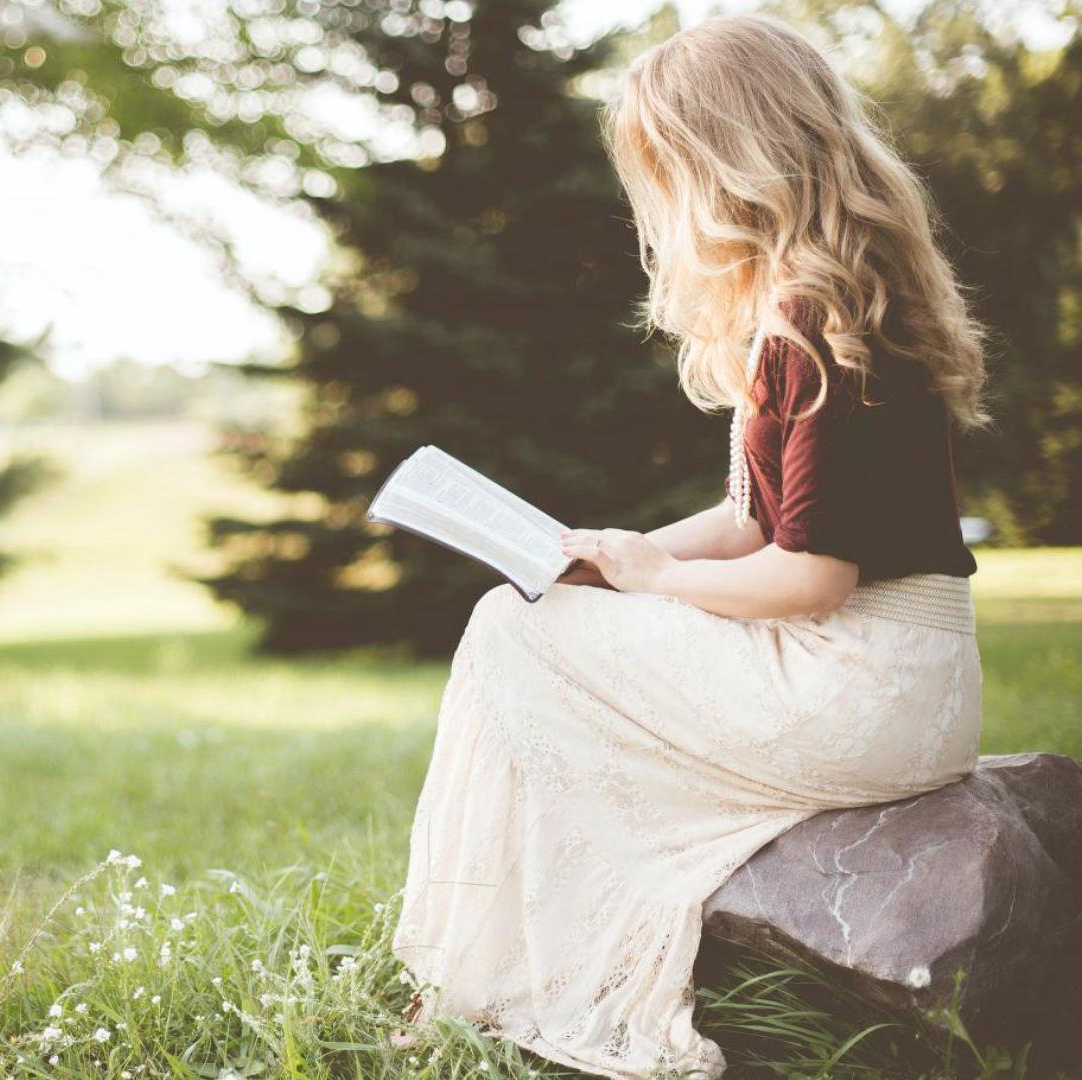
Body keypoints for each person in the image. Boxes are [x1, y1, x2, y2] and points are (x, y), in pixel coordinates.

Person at [388, 14, 990, 1079]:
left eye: (667, 168)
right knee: (541, 618)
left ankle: (484, 979)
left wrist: (659, 582)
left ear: (728, 160)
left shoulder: (812, 313)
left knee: (505, 633)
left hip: (859, 680)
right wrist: (618, 554)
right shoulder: (837, 291)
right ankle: (495, 968)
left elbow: (810, 576)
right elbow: (755, 522)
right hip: (908, 680)